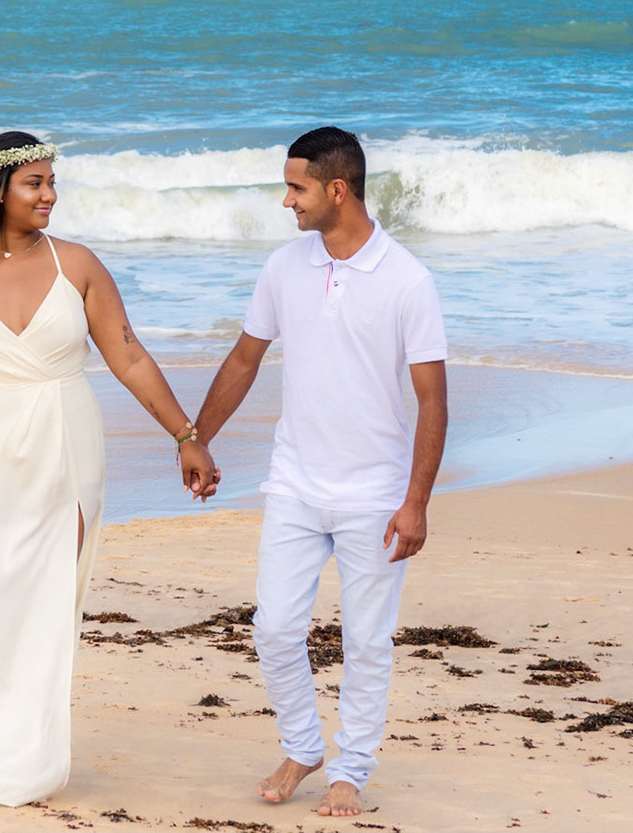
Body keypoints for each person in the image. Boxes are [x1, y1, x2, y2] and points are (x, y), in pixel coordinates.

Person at [0, 130, 220, 807]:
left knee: (44, 601)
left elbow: (128, 355)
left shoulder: (80, 266)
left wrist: (186, 434)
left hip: (65, 443)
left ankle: (21, 756)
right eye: (34, 183)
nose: (49, 195)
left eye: (51, 182)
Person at [192, 126, 448, 819]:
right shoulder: (284, 267)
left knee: (367, 642)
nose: (286, 201)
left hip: (375, 493)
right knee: (274, 628)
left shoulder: (406, 280)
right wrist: (198, 438)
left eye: (296, 188)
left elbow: (432, 399)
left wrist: (415, 500)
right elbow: (245, 358)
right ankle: (303, 745)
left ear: (338, 190)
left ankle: (350, 771)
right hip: (296, 483)